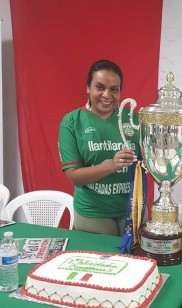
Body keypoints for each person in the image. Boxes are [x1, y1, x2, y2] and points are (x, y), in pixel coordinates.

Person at [58, 59, 140, 235]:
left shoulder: (135, 120)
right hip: (93, 212)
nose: (107, 95)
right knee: (103, 261)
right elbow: (74, 177)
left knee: (137, 261)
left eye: (114, 89)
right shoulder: (72, 122)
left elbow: (148, 164)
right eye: (100, 87)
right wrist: (111, 165)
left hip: (133, 209)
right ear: (88, 88)